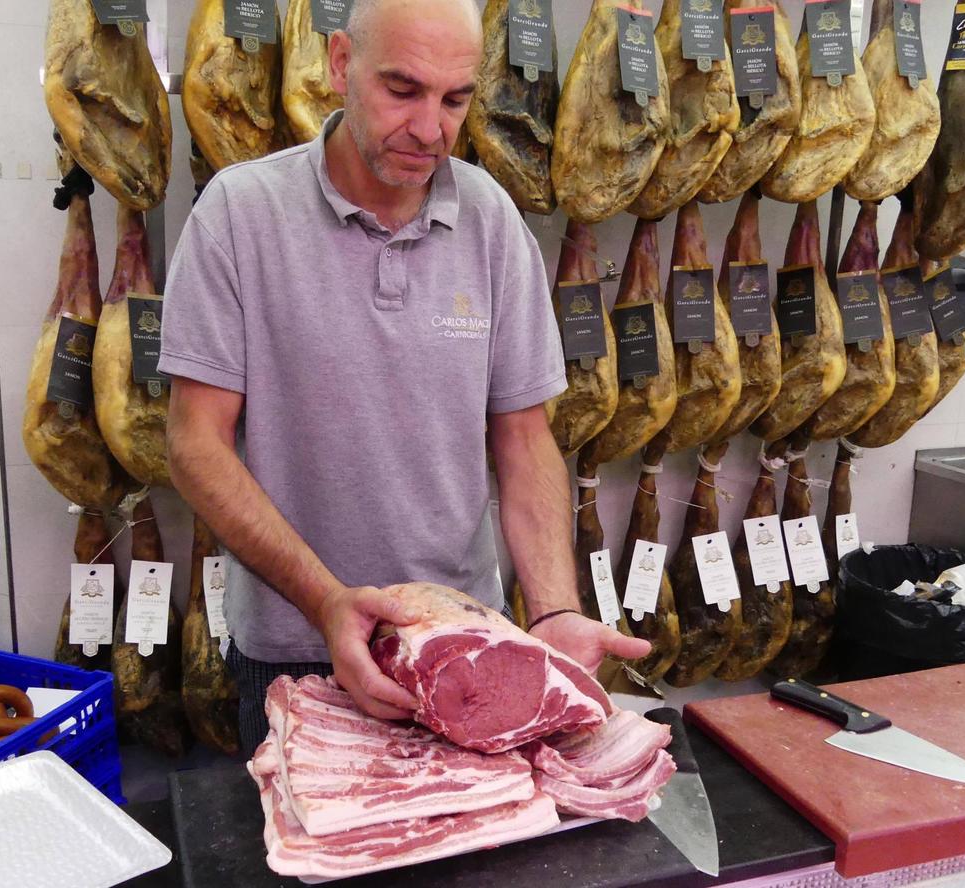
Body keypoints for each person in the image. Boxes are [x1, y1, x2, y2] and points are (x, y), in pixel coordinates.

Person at [159, 0, 650, 755]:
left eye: (455, 99)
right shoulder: (240, 213)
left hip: (466, 643)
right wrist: (327, 603)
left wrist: (552, 609)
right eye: (403, 90)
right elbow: (195, 445)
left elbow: (524, 441)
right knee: (315, 864)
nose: (430, 129)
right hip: (299, 650)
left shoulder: (492, 221)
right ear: (340, 65)